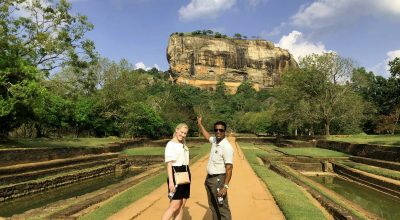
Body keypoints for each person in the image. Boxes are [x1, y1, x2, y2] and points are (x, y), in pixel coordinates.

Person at [197, 116, 233, 220]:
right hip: (210, 179)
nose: (218, 132)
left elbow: (229, 168)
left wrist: (225, 186)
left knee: (222, 208)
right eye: (216, 130)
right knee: (213, 206)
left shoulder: (226, 147)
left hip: (218, 180)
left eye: (221, 130)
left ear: (224, 131)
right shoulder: (215, 141)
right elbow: (207, 136)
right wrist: (200, 124)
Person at [162, 123, 191, 220]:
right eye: (181, 132)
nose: (183, 135)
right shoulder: (171, 145)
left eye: (185, 133)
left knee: (182, 204)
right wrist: (171, 182)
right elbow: (169, 164)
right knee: (174, 206)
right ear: (176, 130)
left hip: (186, 173)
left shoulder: (183, 144)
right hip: (175, 174)